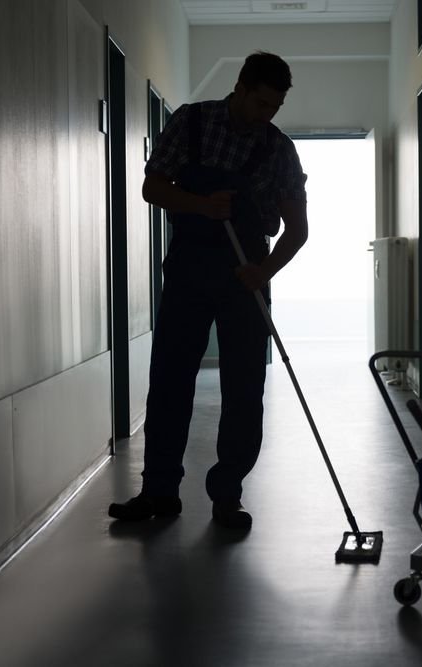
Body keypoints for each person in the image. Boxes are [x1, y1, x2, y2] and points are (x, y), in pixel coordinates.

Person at [109, 52, 308, 530]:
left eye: (274, 107)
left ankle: (227, 496)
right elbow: (152, 188)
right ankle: (158, 492)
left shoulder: (279, 149)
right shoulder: (191, 123)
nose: (266, 115)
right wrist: (201, 205)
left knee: (243, 389)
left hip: (245, 277)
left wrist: (264, 272)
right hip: (189, 270)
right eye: (260, 102)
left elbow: (297, 230)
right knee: (170, 383)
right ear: (239, 87)